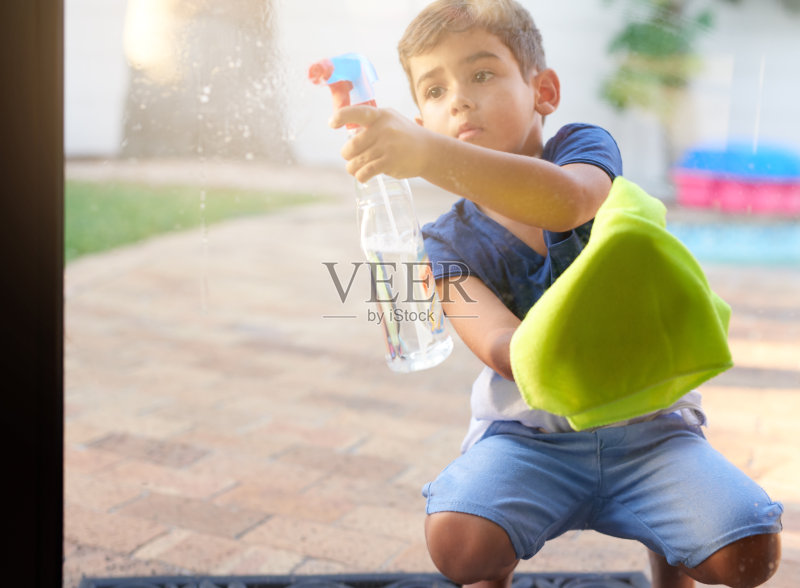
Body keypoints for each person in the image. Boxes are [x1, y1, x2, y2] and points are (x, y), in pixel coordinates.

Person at [329, 1, 783, 587]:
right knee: (460, 544)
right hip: (530, 439)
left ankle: (672, 566)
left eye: (482, 74)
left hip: (650, 432)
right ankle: (494, 570)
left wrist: (427, 156)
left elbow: (569, 201)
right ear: (419, 117)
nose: (460, 99)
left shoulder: (583, 150)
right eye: (434, 91)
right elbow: (500, 347)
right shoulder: (443, 247)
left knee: (749, 555)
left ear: (543, 89)